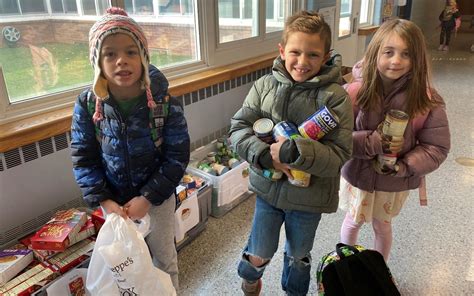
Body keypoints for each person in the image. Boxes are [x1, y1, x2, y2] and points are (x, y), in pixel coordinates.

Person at [229, 11, 353, 296]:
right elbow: (238, 129)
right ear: (282, 51)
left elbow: (340, 155)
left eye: (313, 54)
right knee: (259, 250)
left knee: (298, 255)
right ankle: (250, 276)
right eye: (295, 52)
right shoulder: (264, 86)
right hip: (268, 189)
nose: (302, 61)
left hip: (309, 199)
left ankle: (294, 292)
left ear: (326, 56)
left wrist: (295, 151)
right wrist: (262, 154)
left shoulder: (336, 97)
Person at [70, 7, 190, 291]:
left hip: (157, 200)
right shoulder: (88, 105)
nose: (121, 60)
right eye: (110, 53)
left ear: (144, 58)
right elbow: (83, 159)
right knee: (123, 264)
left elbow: (177, 156)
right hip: (113, 203)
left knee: (163, 259)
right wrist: (104, 200)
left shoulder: (165, 102)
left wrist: (148, 198)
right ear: (97, 61)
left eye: (131, 52)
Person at [339, 18, 450, 263]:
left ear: (417, 59)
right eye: (388, 52)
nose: (396, 60)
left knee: (382, 227)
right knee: (352, 221)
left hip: (393, 181)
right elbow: (339, 137)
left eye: (406, 54)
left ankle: (380, 273)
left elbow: (437, 147)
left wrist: (404, 165)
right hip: (358, 175)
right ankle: (344, 269)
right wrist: (373, 141)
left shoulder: (426, 100)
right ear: (375, 53)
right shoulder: (355, 93)